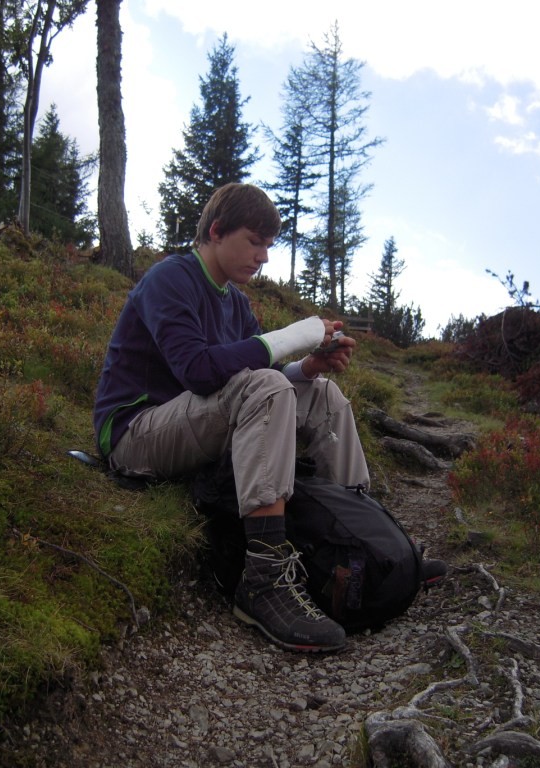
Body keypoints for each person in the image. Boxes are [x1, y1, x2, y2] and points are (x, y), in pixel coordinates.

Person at [93, 182, 442, 652]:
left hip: (192, 423)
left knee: (324, 395)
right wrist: (295, 334)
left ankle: (364, 538)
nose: (263, 257)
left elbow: (267, 373)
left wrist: (307, 366)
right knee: (268, 386)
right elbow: (197, 371)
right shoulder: (169, 280)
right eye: (254, 241)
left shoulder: (234, 300)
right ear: (217, 231)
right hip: (136, 432)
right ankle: (263, 577)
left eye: (268, 246)